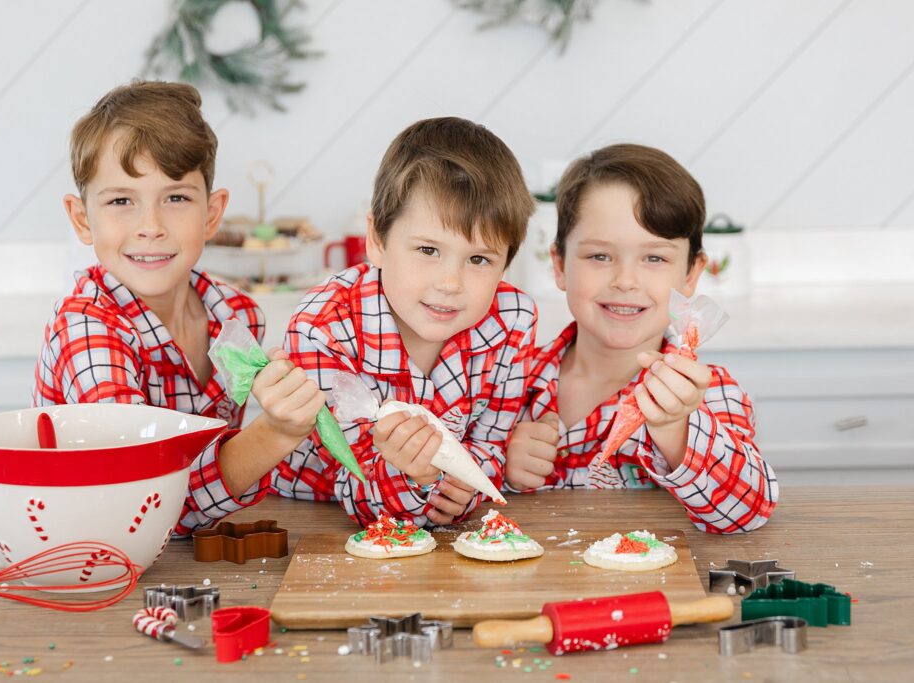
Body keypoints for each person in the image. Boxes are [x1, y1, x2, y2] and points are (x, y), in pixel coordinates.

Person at [34, 80, 324, 535]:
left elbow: (219, 472)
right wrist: (275, 433)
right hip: (93, 558)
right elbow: (141, 503)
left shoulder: (236, 315)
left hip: (180, 560)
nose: (150, 227)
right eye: (121, 201)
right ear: (81, 219)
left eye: (175, 198)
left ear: (211, 214)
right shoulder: (89, 332)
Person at [273, 117, 538, 527]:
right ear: (377, 240)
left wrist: (465, 486)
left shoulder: (512, 321)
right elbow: (354, 482)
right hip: (311, 518)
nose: (450, 284)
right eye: (428, 250)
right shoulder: (322, 328)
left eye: (479, 259)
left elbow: (489, 444)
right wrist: (412, 476)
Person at [504, 143, 777, 533]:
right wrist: (501, 469)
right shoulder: (506, 380)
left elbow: (747, 512)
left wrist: (676, 428)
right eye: (599, 256)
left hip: (653, 593)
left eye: (655, 258)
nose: (625, 281)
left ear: (690, 274)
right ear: (560, 265)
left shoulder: (709, 393)